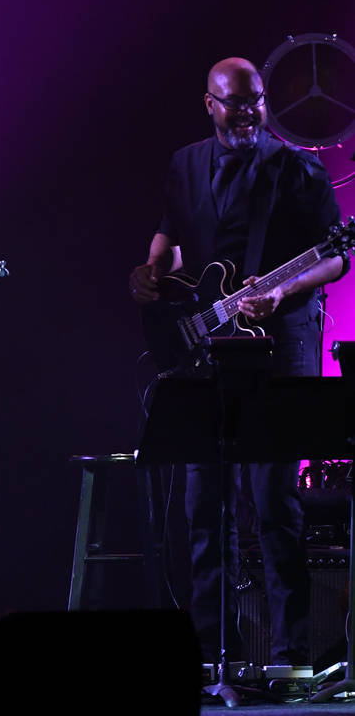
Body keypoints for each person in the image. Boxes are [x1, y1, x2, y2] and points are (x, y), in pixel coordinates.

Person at [129, 57, 347, 665]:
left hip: (279, 348)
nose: (248, 112)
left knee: (275, 502)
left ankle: (292, 653)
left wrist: (282, 291)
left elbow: (334, 257)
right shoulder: (185, 164)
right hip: (207, 350)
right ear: (209, 104)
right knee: (205, 506)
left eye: (255, 101)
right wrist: (152, 274)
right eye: (235, 102)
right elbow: (170, 241)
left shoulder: (297, 168)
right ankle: (207, 654)